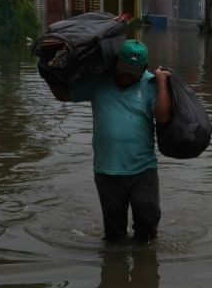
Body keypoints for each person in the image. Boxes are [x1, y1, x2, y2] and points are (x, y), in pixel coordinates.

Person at [50, 39, 171, 242]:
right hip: (107, 171)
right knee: (114, 234)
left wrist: (161, 83)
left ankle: (145, 265)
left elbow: (163, 117)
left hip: (143, 169)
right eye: (123, 69)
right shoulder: (99, 81)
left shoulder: (150, 84)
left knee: (148, 228)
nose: (126, 76)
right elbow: (63, 94)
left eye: (133, 72)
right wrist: (49, 70)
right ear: (115, 63)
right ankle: (115, 267)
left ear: (143, 69)